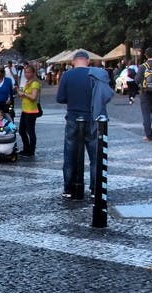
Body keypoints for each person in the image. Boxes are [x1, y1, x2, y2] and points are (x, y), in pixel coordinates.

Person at [56, 50, 99, 199]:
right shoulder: (94, 75)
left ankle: (69, 188)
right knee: (94, 155)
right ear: (88, 61)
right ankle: (95, 188)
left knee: (70, 153)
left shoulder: (67, 75)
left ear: (73, 62)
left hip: (73, 117)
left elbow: (60, 98)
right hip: (92, 118)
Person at [18, 65, 41, 158]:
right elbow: (25, 95)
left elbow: (33, 97)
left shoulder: (35, 83)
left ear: (33, 73)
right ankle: (26, 148)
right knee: (21, 130)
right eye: (25, 72)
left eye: (29, 72)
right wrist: (19, 93)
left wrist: (23, 93)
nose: (27, 74)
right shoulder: (27, 82)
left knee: (30, 131)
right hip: (25, 109)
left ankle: (31, 150)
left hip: (31, 110)